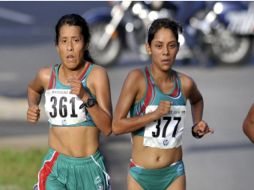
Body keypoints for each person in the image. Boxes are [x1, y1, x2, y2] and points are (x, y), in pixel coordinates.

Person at [112, 18, 214, 190]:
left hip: (173, 174)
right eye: (159, 46)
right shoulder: (137, 79)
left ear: (178, 48)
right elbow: (116, 126)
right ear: (148, 48)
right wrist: (153, 115)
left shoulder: (186, 83)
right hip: (140, 175)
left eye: (171, 45)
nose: (165, 52)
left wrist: (197, 124)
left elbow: (197, 100)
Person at [27, 14, 112, 190]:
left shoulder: (96, 76)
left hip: (89, 167)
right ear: (57, 46)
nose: (70, 48)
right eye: (64, 41)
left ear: (86, 43)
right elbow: (33, 89)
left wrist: (86, 97)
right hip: (56, 166)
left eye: (75, 40)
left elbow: (107, 127)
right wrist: (33, 105)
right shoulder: (46, 76)